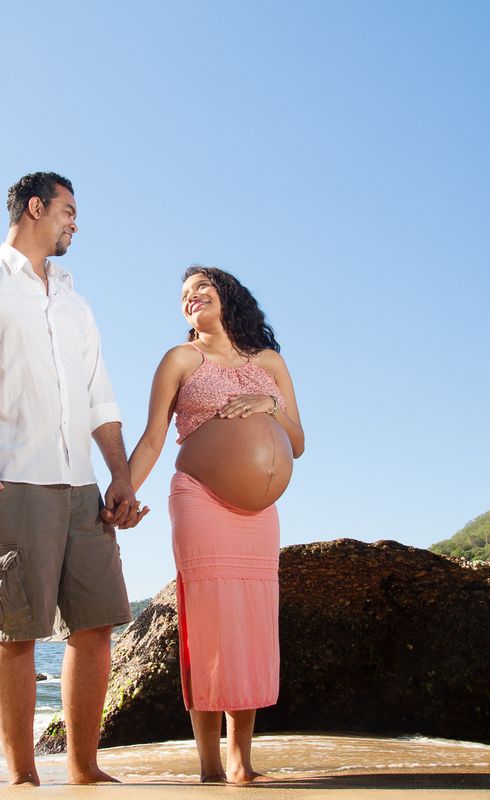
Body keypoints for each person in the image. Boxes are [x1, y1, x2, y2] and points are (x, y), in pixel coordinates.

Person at [0, 172, 146, 785]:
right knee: (17, 629)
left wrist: (119, 478)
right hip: (11, 481)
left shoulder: (76, 303)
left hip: (81, 485)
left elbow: (101, 401)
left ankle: (83, 767)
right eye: (69, 210)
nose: (76, 222)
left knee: (95, 626)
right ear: (36, 208)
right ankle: (22, 775)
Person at [127, 266, 304, 784]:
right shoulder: (181, 359)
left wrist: (268, 403)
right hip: (200, 499)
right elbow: (154, 439)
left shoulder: (269, 362)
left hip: (258, 515)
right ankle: (208, 764)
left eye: (201, 287)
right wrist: (122, 493)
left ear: (228, 295)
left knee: (248, 624)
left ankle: (240, 761)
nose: (192, 298)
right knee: (208, 626)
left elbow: (296, 440)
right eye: (184, 295)